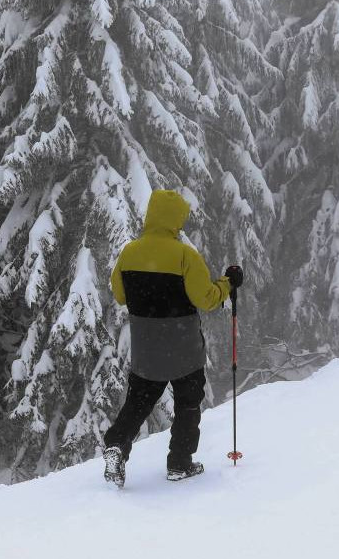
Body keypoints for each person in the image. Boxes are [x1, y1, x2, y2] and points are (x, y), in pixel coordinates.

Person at [102, 189, 244, 487]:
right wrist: (228, 283)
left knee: (138, 403)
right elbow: (206, 299)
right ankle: (179, 463)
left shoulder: (129, 252)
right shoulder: (184, 255)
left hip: (146, 347)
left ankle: (116, 445)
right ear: (176, 219)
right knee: (188, 404)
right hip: (183, 347)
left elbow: (119, 294)